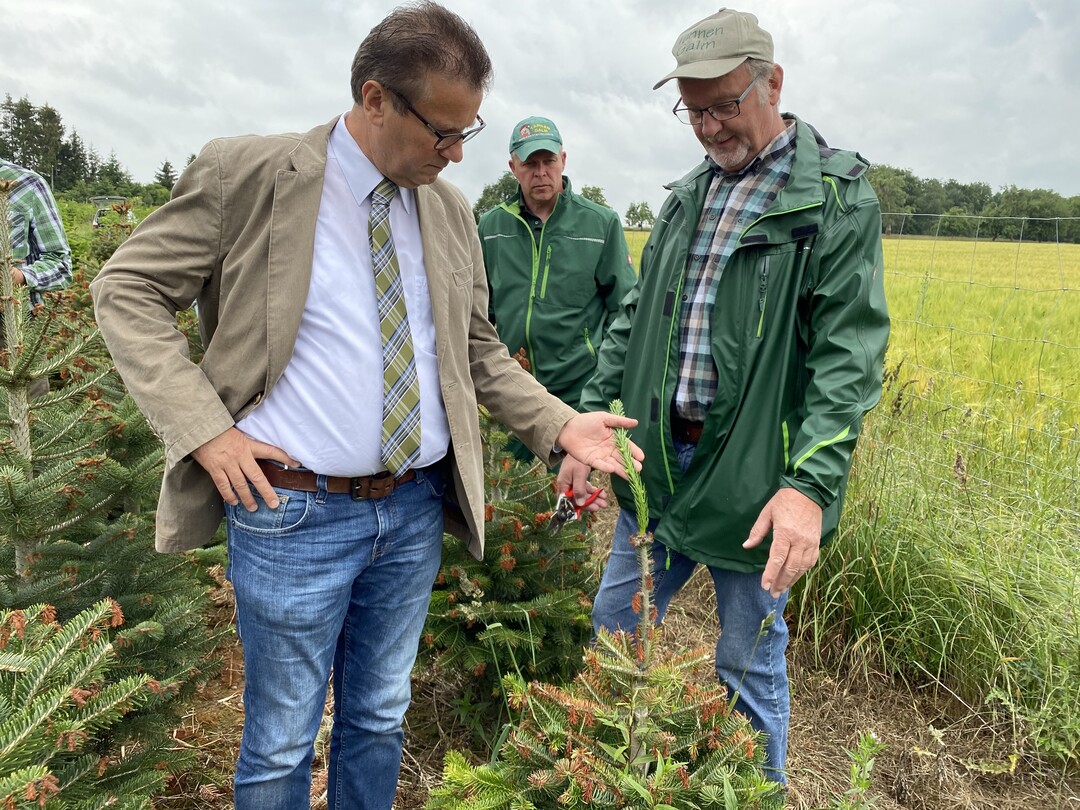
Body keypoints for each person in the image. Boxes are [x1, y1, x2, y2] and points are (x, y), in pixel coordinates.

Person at [89, 4, 639, 809]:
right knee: (280, 740)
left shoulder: (447, 210)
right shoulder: (244, 175)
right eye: (440, 133)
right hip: (291, 516)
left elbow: (476, 349)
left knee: (379, 717)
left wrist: (558, 423)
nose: (454, 155)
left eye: (467, 135)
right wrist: (205, 430)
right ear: (375, 98)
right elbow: (126, 288)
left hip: (412, 512)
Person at [558, 7, 889, 783]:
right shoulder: (683, 199)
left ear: (772, 83)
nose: (708, 127)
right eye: (692, 109)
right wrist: (588, 415)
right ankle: (604, 785)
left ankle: (751, 797)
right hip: (657, 464)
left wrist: (808, 485)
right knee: (615, 631)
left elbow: (848, 357)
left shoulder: (833, 201)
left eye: (724, 105)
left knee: (745, 665)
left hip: (754, 478)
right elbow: (633, 319)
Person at [478, 116, 636, 411]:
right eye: (529, 164)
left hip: (580, 393)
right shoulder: (491, 227)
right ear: (513, 168)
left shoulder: (600, 224)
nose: (540, 173)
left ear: (563, 161)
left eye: (548, 161)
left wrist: (606, 374)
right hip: (513, 391)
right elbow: (481, 313)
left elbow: (624, 309)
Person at [1, 159, 73, 396]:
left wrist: (19, 275)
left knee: (27, 419)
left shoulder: (27, 184)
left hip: (13, 328)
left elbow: (60, 262)